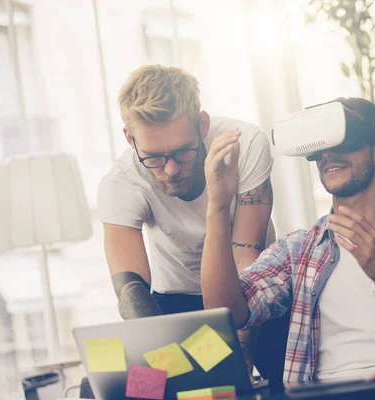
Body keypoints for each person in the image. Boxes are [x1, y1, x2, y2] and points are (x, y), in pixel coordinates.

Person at [200, 97, 375, 383]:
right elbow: (226, 313)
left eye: (344, 142)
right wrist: (219, 206)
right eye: (321, 146)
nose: (329, 155)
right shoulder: (298, 250)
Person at [96, 65, 281, 376]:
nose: (170, 169)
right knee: (151, 384)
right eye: (154, 157)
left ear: (202, 125)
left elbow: (245, 262)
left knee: (275, 378)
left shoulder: (243, 145)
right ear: (130, 139)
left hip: (250, 289)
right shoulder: (121, 183)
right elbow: (131, 291)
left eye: (183, 152)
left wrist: (240, 360)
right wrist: (163, 365)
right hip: (177, 302)